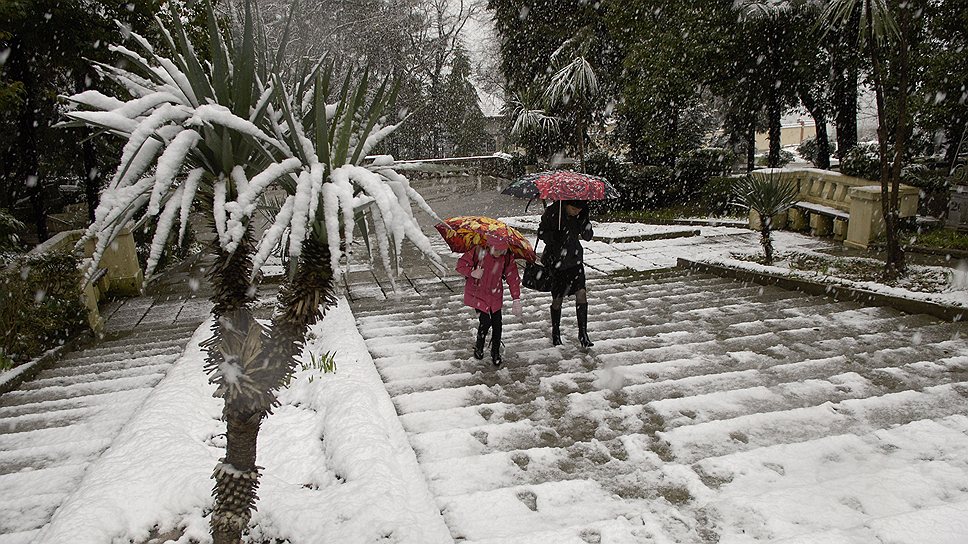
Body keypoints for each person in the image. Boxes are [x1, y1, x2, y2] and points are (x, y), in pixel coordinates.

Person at [456, 237, 523, 366]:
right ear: (490, 246)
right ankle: (479, 345)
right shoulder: (477, 251)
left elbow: (513, 277)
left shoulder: (506, 257)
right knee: (485, 321)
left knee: (497, 324)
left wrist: (516, 298)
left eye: (502, 251)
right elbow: (460, 265)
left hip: (495, 295)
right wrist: (472, 272)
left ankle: (495, 351)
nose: (499, 253)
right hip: (478, 293)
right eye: (496, 250)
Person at [538, 200, 594, 347]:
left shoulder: (582, 214)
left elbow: (588, 236)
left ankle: (583, 333)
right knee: (558, 298)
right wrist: (554, 236)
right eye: (574, 209)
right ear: (566, 204)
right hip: (556, 261)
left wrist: (586, 225)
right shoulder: (552, 212)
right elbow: (541, 233)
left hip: (574, 259)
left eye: (579, 209)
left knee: (581, 293)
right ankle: (555, 333)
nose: (576, 212)